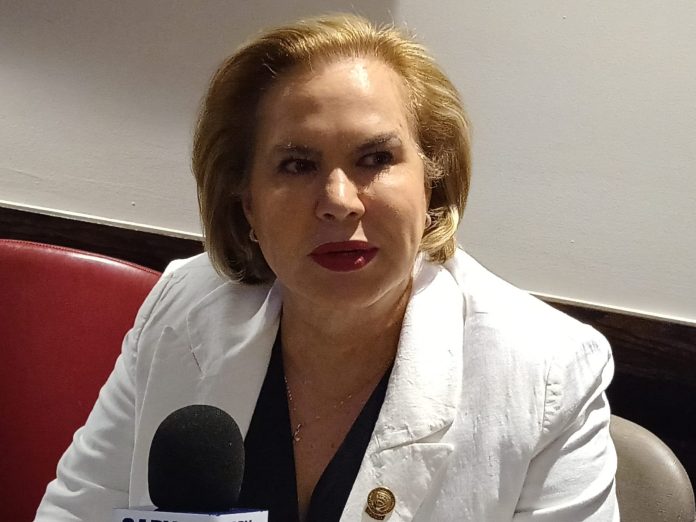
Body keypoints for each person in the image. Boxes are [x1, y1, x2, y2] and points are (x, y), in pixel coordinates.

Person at [36, 13, 618, 522]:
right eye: (297, 165)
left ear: (431, 183)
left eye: (375, 158)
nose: (339, 201)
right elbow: (78, 510)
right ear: (247, 202)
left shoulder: (547, 373)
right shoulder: (182, 308)